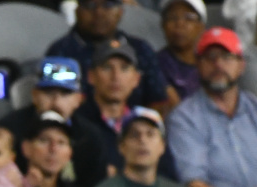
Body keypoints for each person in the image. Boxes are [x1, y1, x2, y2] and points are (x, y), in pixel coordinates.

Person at [167, 27, 257, 187]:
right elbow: (195, 186)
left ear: (241, 65)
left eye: (227, 57)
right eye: (209, 57)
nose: (218, 64)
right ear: (198, 65)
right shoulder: (184, 118)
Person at [0, 56, 109, 187]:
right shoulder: (9, 131)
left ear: (79, 99)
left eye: (65, 93)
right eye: (48, 93)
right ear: (34, 95)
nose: (56, 101)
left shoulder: (91, 138)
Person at [75, 37, 179, 181]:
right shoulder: (76, 123)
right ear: (91, 77)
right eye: (106, 67)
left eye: (124, 68)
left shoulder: (148, 123)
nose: (115, 77)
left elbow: (169, 178)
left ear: (136, 79)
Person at [46, 0, 176, 113]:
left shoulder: (140, 49)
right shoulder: (61, 52)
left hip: (133, 132)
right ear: (77, 11)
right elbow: (54, 103)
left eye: (108, 4)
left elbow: (158, 101)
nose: (99, 12)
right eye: (90, 5)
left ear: (120, 11)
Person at [92, 106, 204, 187]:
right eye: (134, 135)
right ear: (121, 147)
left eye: (150, 134)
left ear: (162, 146)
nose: (143, 140)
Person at [18, 111, 102, 187]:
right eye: (44, 140)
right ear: (26, 148)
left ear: (69, 154)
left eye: (61, 142)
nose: (53, 149)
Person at [157, 0, 207, 102]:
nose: (179, 24)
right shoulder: (155, 64)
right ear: (163, 25)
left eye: (188, 18)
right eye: (172, 18)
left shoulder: (211, 63)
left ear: (201, 26)